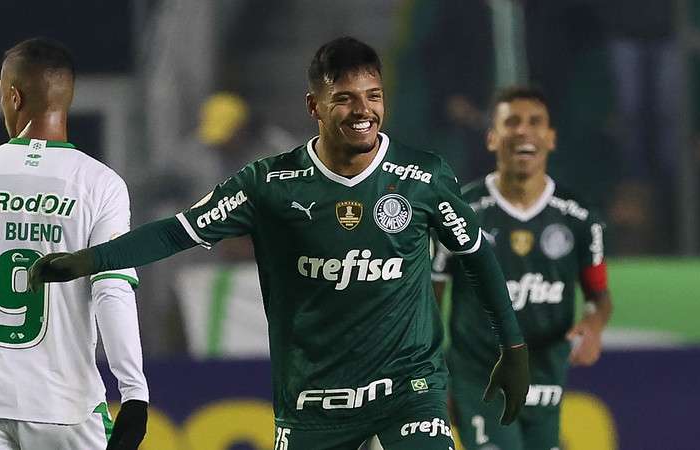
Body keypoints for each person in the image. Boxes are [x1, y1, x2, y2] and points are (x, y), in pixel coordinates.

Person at [29, 36, 529, 450]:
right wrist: (91, 259)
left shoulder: (422, 176)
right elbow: (176, 231)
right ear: (314, 105)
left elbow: (475, 256)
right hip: (313, 401)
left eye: (373, 96)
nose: (363, 111)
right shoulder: (268, 183)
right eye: (345, 99)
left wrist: (513, 347)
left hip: (409, 390)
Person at [0, 38, 149, 450]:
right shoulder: (100, 184)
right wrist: (134, 393)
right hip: (62, 404)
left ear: (13, 96)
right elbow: (112, 291)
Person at [431, 86, 613, 450]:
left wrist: (593, 325)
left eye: (535, 122)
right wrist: (435, 375)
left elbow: (599, 295)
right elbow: (430, 297)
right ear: (492, 138)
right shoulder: (460, 211)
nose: (523, 131)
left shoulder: (580, 218)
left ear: (551, 138)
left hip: (545, 370)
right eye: (511, 122)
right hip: (478, 373)